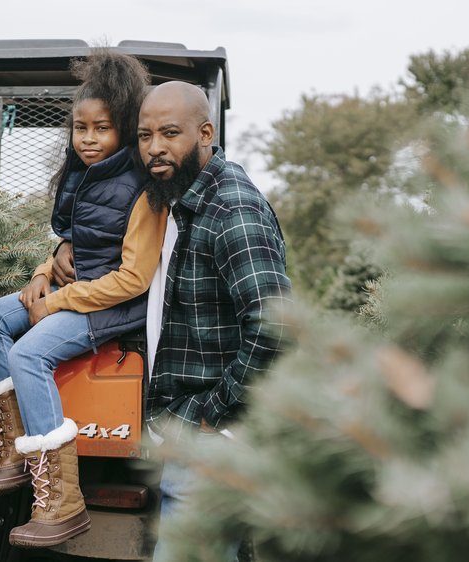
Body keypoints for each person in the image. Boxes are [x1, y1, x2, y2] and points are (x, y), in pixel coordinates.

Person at [0, 49, 168, 548]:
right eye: (79, 128)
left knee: (29, 351)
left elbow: (134, 278)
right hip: (78, 289)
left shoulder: (142, 189)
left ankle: (61, 501)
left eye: (101, 129)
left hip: (113, 305)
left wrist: (58, 303)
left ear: (124, 129)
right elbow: (74, 242)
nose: (88, 139)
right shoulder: (80, 175)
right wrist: (43, 273)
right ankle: (15, 443)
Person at [134, 81, 292, 560]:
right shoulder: (181, 201)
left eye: (169, 133)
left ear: (205, 132)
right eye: (144, 136)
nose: (155, 148)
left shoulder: (233, 208)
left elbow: (277, 326)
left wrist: (211, 413)